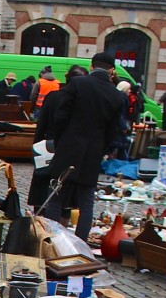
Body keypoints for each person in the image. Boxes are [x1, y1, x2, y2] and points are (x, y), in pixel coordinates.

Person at [47, 51, 126, 240]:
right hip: (93, 152)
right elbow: (113, 131)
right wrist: (102, 149)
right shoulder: (116, 96)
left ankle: (53, 240)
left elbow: (61, 116)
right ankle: (81, 244)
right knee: (86, 203)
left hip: (68, 147)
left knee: (56, 195)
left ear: (92, 66)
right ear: (112, 70)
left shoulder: (78, 84)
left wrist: (59, 141)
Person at [29, 65, 86, 211]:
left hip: (50, 145)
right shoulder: (82, 101)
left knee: (45, 185)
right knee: (63, 192)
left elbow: (42, 124)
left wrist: (36, 146)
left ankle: (41, 218)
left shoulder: (54, 97)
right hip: (68, 148)